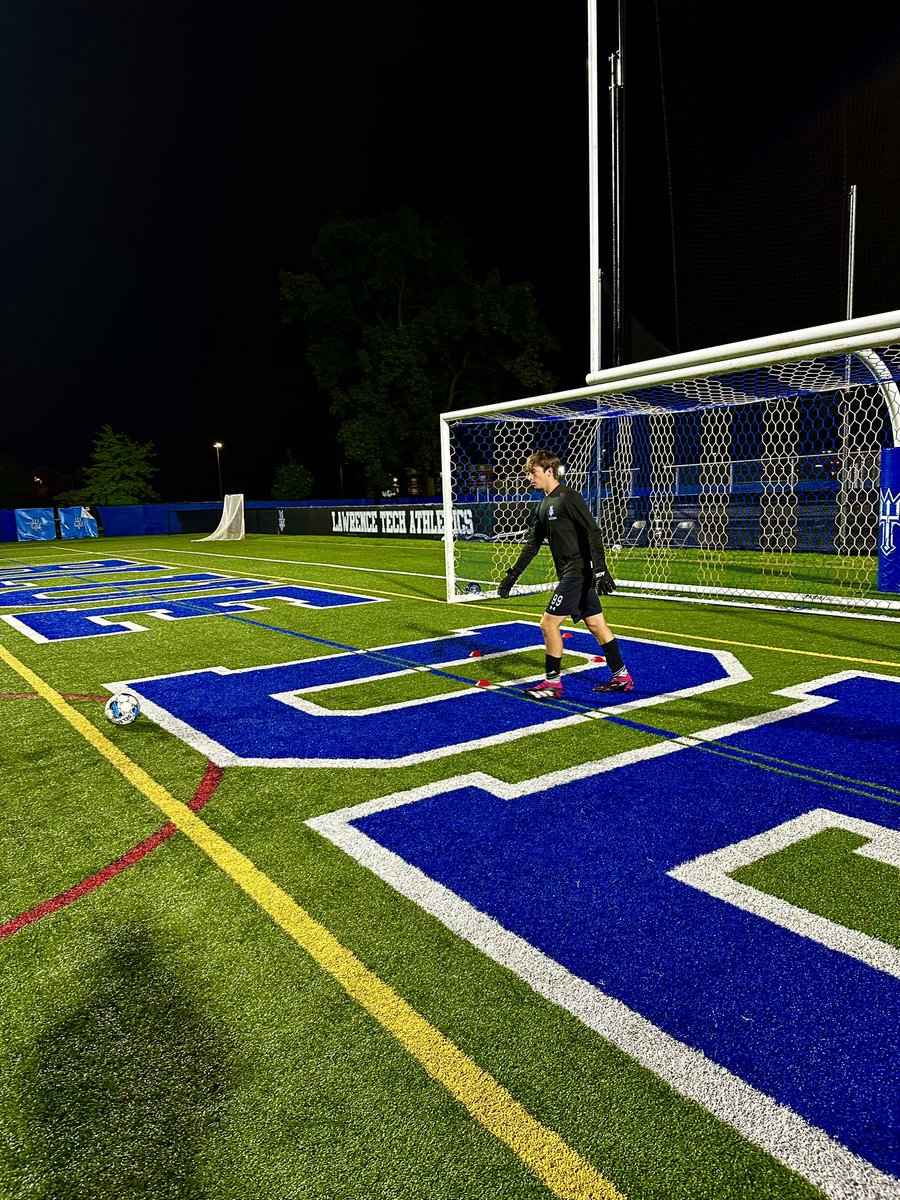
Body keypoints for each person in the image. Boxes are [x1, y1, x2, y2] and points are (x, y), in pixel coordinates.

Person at [497, 449, 633, 697]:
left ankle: (552, 683)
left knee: (548, 624)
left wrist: (601, 569)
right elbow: (532, 545)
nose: (529, 477)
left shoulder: (569, 497)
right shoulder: (542, 505)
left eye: (533, 472)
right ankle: (621, 676)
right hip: (570, 573)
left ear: (549, 471)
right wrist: (512, 575)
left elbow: (593, 531)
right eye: (528, 473)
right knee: (595, 624)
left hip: (578, 571)